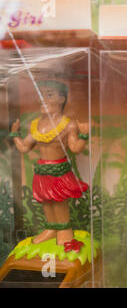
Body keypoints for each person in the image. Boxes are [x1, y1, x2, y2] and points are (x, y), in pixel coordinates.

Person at [9, 80, 89, 246]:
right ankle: (51, 228)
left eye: (49, 94)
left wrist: (84, 135)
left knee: (58, 201)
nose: (42, 99)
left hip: (58, 171)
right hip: (41, 171)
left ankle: (64, 230)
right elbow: (24, 147)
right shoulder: (35, 124)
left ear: (62, 99)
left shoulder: (68, 124)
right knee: (45, 200)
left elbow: (74, 148)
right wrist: (14, 134)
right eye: (41, 95)